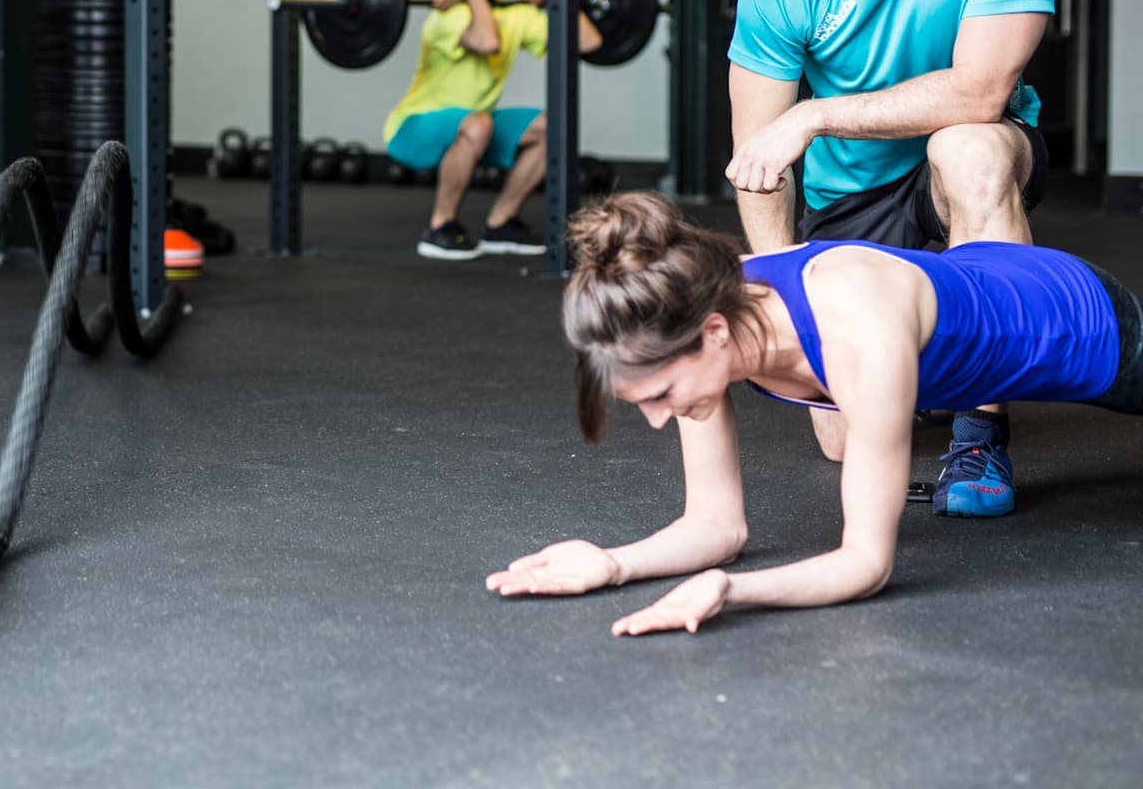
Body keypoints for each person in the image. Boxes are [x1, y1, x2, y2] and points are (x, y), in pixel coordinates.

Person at [486, 191, 1142, 637]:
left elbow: (866, 564)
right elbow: (715, 526)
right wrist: (613, 563)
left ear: (714, 335)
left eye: (660, 397)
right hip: (976, 277)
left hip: (1074, 319)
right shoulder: (694, 311)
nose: (661, 419)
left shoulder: (859, 335)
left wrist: (732, 591)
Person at [727, 0, 1057, 516]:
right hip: (851, 194)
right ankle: (926, 348)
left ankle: (980, 435)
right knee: (847, 440)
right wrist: (793, 316)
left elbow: (981, 90)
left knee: (969, 148)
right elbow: (760, 162)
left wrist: (815, 113)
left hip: (969, 157)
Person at [382, 0, 602, 260]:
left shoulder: (515, 14)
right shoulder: (448, 13)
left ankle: (500, 223)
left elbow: (589, 42)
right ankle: (440, 227)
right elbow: (488, 42)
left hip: (476, 125)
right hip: (413, 128)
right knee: (478, 123)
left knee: (554, 127)